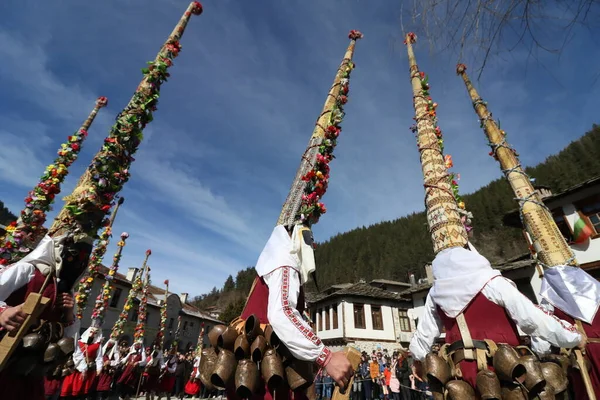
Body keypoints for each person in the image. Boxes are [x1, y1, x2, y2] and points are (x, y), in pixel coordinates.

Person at [409, 246, 584, 389]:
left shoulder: (436, 293)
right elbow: (533, 318)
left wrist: (418, 360)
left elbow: (423, 336)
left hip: (461, 375)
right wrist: (572, 337)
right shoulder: (493, 282)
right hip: (505, 371)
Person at [0, 234, 90, 400]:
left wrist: (69, 314)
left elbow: (71, 337)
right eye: (73, 254)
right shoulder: (27, 271)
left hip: (29, 371)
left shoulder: (67, 291)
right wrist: (3, 312)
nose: (77, 262)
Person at [60, 326, 104, 399]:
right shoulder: (79, 342)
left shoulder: (97, 345)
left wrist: (99, 368)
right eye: (91, 332)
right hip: (75, 368)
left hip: (87, 370)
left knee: (79, 392)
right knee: (68, 389)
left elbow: (99, 358)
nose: (92, 334)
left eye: (95, 333)